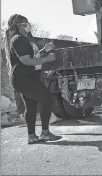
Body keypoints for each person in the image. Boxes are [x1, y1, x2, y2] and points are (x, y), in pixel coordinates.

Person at [4, 14, 62, 144]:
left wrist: (44, 50)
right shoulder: (18, 39)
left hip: (25, 78)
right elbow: (27, 60)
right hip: (24, 78)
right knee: (47, 98)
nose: (29, 25)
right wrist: (47, 58)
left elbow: (32, 56)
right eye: (26, 23)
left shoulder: (22, 39)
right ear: (20, 25)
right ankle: (45, 133)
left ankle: (32, 136)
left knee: (31, 105)